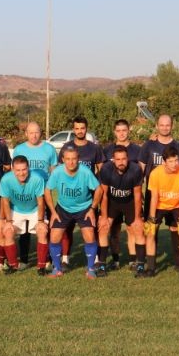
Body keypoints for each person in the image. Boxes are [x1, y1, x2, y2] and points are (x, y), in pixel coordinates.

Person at [139, 115, 179, 270]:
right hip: (154, 195)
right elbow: (141, 167)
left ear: (172, 126)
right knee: (151, 230)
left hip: (175, 197)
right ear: (157, 126)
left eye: (167, 125)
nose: (165, 128)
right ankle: (151, 266)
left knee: (176, 229)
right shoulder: (149, 144)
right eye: (162, 125)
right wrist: (139, 190)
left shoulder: (178, 147)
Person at [44, 146, 102, 279]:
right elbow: (47, 191)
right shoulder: (57, 172)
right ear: (63, 159)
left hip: (84, 208)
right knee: (54, 236)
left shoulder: (85, 171)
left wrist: (92, 209)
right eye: (68, 159)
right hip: (63, 208)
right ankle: (57, 269)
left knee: (89, 235)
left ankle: (91, 269)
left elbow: (99, 189)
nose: (71, 162)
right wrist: (53, 212)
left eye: (74, 159)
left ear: (78, 159)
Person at [57, 116, 105, 271]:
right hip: (69, 196)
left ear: (86, 129)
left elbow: (101, 170)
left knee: (91, 228)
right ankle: (65, 259)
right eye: (77, 128)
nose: (79, 131)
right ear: (73, 129)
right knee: (66, 229)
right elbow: (60, 170)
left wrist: (96, 187)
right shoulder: (66, 147)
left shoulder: (94, 148)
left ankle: (95, 259)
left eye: (82, 128)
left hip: (88, 197)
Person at [11, 121, 57, 269]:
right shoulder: (19, 149)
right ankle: (24, 260)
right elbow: (14, 171)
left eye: (36, 132)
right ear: (26, 134)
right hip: (26, 193)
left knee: (45, 226)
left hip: (44, 194)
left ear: (40, 132)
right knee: (24, 229)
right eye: (31, 132)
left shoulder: (49, 149)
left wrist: (50, 188)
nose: (34, 135)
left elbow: (53, 170)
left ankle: (47, 259)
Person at [144, 145, 179, 280]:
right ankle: (151, 269)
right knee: (150, 233)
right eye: (171, 161)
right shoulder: (155, 173)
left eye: (176, 160)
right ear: (164, 161)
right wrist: (152, 218)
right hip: (160, 205)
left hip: (177, 205)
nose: (174, 164)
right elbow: (154, 197)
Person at [96, 145, 143, 277]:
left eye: (123, 159)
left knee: (136, 229)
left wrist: (138, 218)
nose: (121, 162)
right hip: (112, 202)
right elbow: (104, 195)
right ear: (113, 160)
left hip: (129, 202)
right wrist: (103, 216)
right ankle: (102, 264)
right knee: (104, 228)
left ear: (128, 158)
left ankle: (138, 264)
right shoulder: (106, 169)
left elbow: (138, 195)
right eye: (118, 159)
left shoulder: (135, 169)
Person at [101, 119, 143, 269]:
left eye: (124, 130)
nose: (122, 133)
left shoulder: (137, 150)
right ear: (114, 132)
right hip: (113, 198)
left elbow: (140, 171)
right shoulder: (107, 150)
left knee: (132, 229)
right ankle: (115, 260)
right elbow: (103, 174)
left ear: (129, 130)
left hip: (130, 197)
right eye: (118, 131)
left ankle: (133, 261)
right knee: (113, 230)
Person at [0, 155, 49, 275]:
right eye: (18, 170)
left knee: (42, 230)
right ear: (12, 169)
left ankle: (41, 267)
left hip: (34, 209)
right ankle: (13, 265)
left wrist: (40, 221)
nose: (21, 173)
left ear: (28, 168)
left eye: (24, 169)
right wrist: (8, 221)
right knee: (7, 231)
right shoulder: (6, 179)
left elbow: (40, 201)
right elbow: (5, 201)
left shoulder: (37, 179)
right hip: (16, 209)